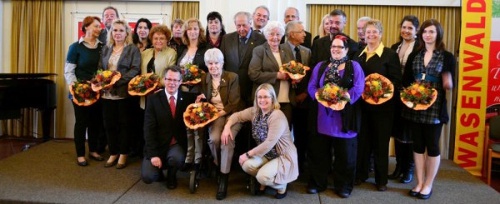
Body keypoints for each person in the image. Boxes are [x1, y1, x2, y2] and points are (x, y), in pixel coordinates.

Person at [306, 33, 365, 198]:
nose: (336, 49)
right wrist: (322, 98)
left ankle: (344, 186)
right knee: (319, 153)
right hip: (323, 116)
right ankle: (318, 183)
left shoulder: (354, 66)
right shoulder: (320, 66)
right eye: (333, 46)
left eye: (340, 47)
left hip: (345, 117)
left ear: (346, 49)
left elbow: (359, 87)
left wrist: (341, 100)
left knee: (345, 155)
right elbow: (311, 86)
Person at [403, 19, 454, 200]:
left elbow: (449, 82)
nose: (428, 35)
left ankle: (428, 184)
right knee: (417, 146)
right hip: (415, 106)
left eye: (431, 32)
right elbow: (406, 81)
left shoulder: (447, 56)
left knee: (432, 146)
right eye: (425, 31)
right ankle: (418, 182)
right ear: (421, 34)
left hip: (435, 108)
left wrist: (447, 82)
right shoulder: (415, 55)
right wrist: (410, 95)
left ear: (438, 34)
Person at [221, 83, 298, 199]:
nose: (262, 100)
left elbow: (268, 143)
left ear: (272, 98)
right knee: (246, 166)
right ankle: (267, 176)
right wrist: (227, 127)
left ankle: (281, 185)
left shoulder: (277, 115)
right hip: (265, 154)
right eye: (259, 97)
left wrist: (247, 154)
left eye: (266, 97)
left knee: (262, 177)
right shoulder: (255, 112)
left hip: (282, 155)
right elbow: (237, 116)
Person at [352, 19, 401, 191]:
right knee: (363, 141)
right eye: (368, 32)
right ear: (363, 35)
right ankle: (361, 174)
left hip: (383, 108)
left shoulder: (389, 54)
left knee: (380, 143)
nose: (371, 35)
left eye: (374, 32)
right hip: (362, 107)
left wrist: (380, 92)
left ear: (381, 34)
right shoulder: (358, 55)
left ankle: (381, 180)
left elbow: (396, 81)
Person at [195, 48, 243, 200]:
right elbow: (206, 101)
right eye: (210, 63)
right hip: (216, 115)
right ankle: (218, 162)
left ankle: (223, 179)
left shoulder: (232, 77)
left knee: (226, 140)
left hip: (233, 115)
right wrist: (200, 100)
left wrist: (217, 114)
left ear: (222, 63)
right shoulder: (205, 79)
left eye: (216, 63)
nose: (213, 66)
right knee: (214, 139)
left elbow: (234, 104)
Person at [141, 66, 197, 189]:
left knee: (176, 159)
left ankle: (172, 175)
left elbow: (202, 101)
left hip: (176, 144)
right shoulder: (153, 99)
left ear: (181, 82)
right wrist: (154, 154)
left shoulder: (188, 98)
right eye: (169, 79)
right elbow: (148, 129)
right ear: (163, 80)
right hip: (158, 143)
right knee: (148, 176)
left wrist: (201, 99)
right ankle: (159, 172)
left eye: (175, 80)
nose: (172, 83)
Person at [99, 19, 141, 169]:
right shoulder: (106, 49)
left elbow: (135, 69)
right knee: (109, 125)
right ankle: (113, 152)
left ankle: (123, 154)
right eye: (115, 30)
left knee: (124, 125)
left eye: (121, 30)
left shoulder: (132, 50)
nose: (118, 33)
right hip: (106, 94)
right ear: (111, 33)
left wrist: (117, 81)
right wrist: (102, 81)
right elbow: (100, 68)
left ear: (127, 33)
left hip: (123, 93)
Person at [64, 16, 105, 166]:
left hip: (97, 91)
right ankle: (80, 154)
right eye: (95, 26)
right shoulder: (75, 47)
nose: (99, 29)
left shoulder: (102, 47)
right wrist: (77, 88)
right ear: (86, 27)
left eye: (99, 27)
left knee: (95, 122)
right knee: (81, 122)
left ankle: (93, 150)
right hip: (80, 92)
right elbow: (69, 71)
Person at [389, 15, 420, 184]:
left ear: (417, 31)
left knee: (409, 134)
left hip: (411, 96)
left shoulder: (419, 48)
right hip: (395, 96)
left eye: (410, 28)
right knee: (399, 133)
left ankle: (408, 168)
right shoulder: (395, 46)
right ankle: (399, 167)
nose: (406, 31)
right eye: (404, 27)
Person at [248, 21, 294, 126]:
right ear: (266, 35)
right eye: (271, 34)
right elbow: (253, 74)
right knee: (266, 133)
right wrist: (277, 75)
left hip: (287, 99)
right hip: (267, 100)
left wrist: (295, 77)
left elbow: (292, 68)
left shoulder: (286, 50)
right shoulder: (259, 50)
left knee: (284, 133)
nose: (275, 37)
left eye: (278, 34)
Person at [282, 20, 312, 172]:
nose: (304, 34)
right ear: (292, 34)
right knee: (285, 134)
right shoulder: (280, 50)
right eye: (301, 31)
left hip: (304, 100)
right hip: (286, 100)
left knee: (302, 136)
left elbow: (311, 75)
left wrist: (305, 93)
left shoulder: (307, 51)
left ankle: (299, 166)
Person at [220, 11, 266, 108]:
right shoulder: (226, 39)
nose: (241, 29)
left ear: (250, 23)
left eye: (244, 25)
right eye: (238, 26)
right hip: (231, 88)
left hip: (251, 88)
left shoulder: (261, 40)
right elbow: (221, 63)